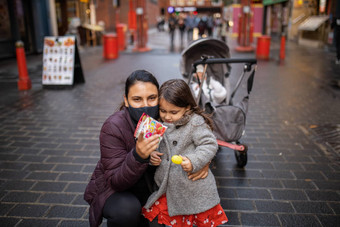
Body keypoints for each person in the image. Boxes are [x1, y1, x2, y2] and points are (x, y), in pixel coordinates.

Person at [84, 70, 210, 227]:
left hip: (155, 186)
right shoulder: (113, 127)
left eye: (152, 98)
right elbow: (116, 183)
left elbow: (198, 136)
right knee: (127, 211)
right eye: (137, 99)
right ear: (127, 100)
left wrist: (202, 161)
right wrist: (138, 156)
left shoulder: (165, 114)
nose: (145, 105)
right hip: (117, 190)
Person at [142, 79, 228, 227]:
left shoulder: (195, 122)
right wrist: (152, 156)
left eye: (174, 112)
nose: (167, 117)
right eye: (163, 111)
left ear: (187, 107)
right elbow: (149, 146)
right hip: (168, 189)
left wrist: (194, 160)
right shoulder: (155, 123)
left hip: (193, 188)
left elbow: (209, 144)